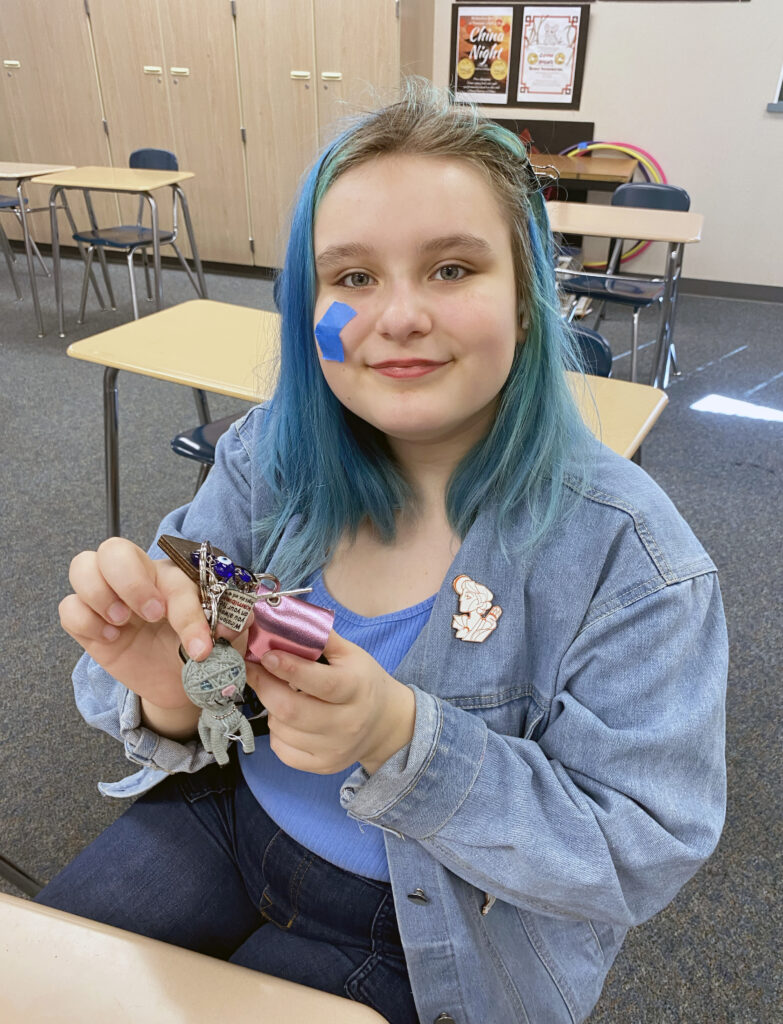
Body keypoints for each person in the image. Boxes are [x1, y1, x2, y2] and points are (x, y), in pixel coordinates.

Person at [40, 82, 727, 1024]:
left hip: (429, 921)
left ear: (527, 301)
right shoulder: (266, 461)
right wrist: (170, 688)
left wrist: (400, 738)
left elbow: (638, 848)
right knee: (50, 981)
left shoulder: (630, 557)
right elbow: (200, 683)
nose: (397, 316)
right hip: (232, 819)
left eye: (451, 270)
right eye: (352, 279)